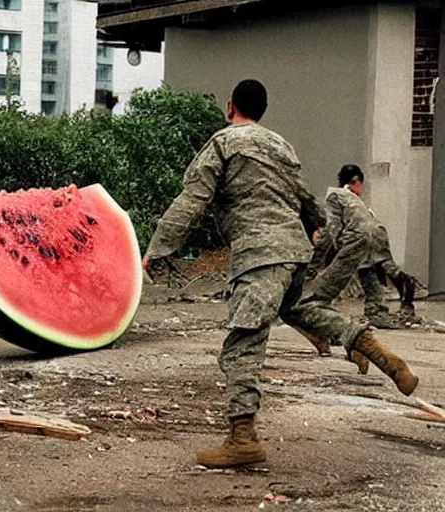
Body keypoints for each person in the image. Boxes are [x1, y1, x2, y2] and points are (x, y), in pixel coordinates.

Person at [143, 81, 418, 469]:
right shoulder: (280, 146)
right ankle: (373, 349)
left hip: (260, 254)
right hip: (294, 250)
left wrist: (157, 249)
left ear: (230, 107)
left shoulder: (224, 143)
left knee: (243, 343)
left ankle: (242, 438)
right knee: (299, 311)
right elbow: (305, 199)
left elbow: (192, 199)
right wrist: (318, 236)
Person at [308, 165, 418, 329]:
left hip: (359, 234)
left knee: (359, 269)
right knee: (380, 266)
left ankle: (316, 307)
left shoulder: (334, 196)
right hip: (377, 231)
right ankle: (384, 304)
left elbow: (332, 229)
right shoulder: (354, 199)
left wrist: (314, 263)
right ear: (356, 181)